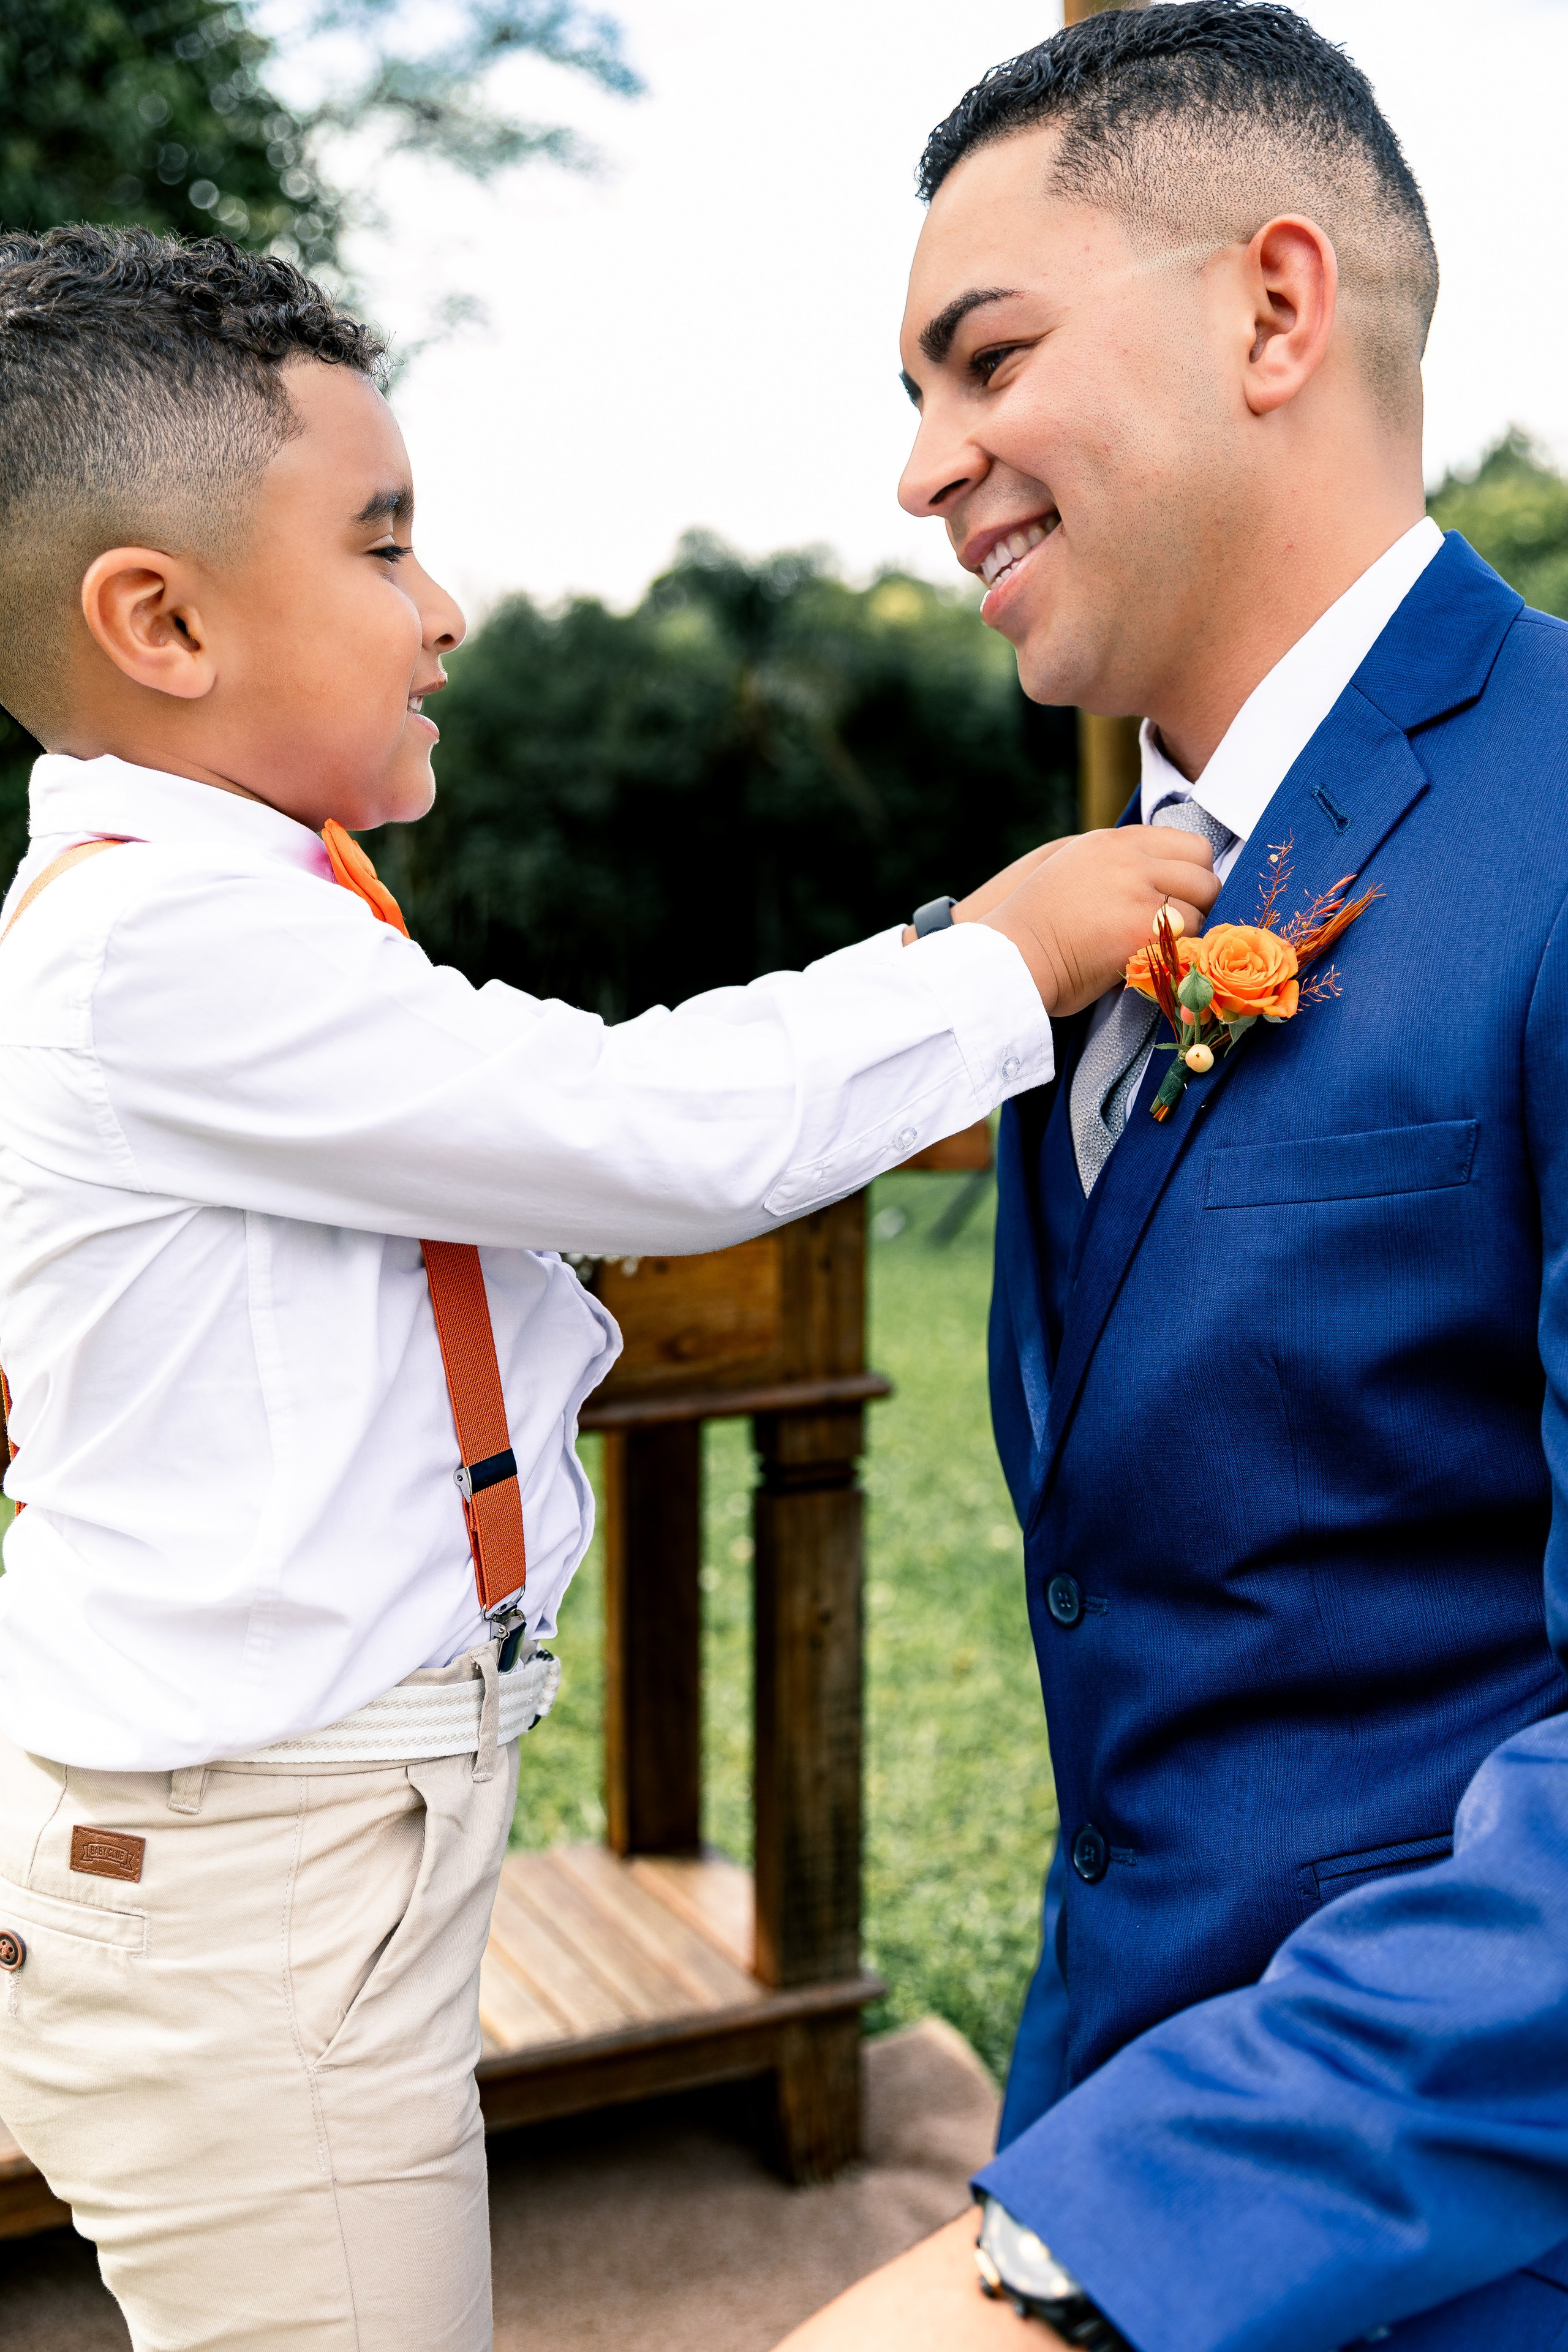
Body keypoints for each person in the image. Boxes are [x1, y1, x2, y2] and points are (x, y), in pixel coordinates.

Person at [0, 225, 1215, 2351]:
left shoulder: (200, 925)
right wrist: (1002, 956)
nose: (444, 607)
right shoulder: (163, 949)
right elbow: (630, 1133)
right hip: (258, 1892)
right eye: (384, 547)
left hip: (283, 1857)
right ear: (160, 619)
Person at [777, 6, 1568, 2351]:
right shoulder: (1100, 891)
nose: (925, 472)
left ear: (1274, 307)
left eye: (983, 360)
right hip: (1112, 2086)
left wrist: (1079, 2260)